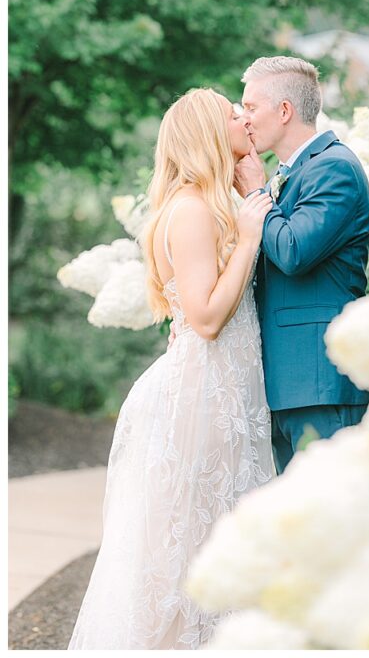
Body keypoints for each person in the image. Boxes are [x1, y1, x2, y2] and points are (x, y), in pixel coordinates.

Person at [70, 89, 276, 649]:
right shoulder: (187, 212)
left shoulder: (209, 206)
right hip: (200, 392)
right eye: (235, 115)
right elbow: (207, 318)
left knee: (223, 538)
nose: (244, 119)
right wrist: (252, 235)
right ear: (211, 133)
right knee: (188, 549)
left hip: (226, 389)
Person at [231, 56, 369, 472]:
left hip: (319, 381)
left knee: (333, 514)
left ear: (285, 111)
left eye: (251, 107)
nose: (245, 118)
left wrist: (257, 194)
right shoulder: (290, 171)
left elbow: (293, 252)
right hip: (287, 381)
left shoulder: (334, 168)